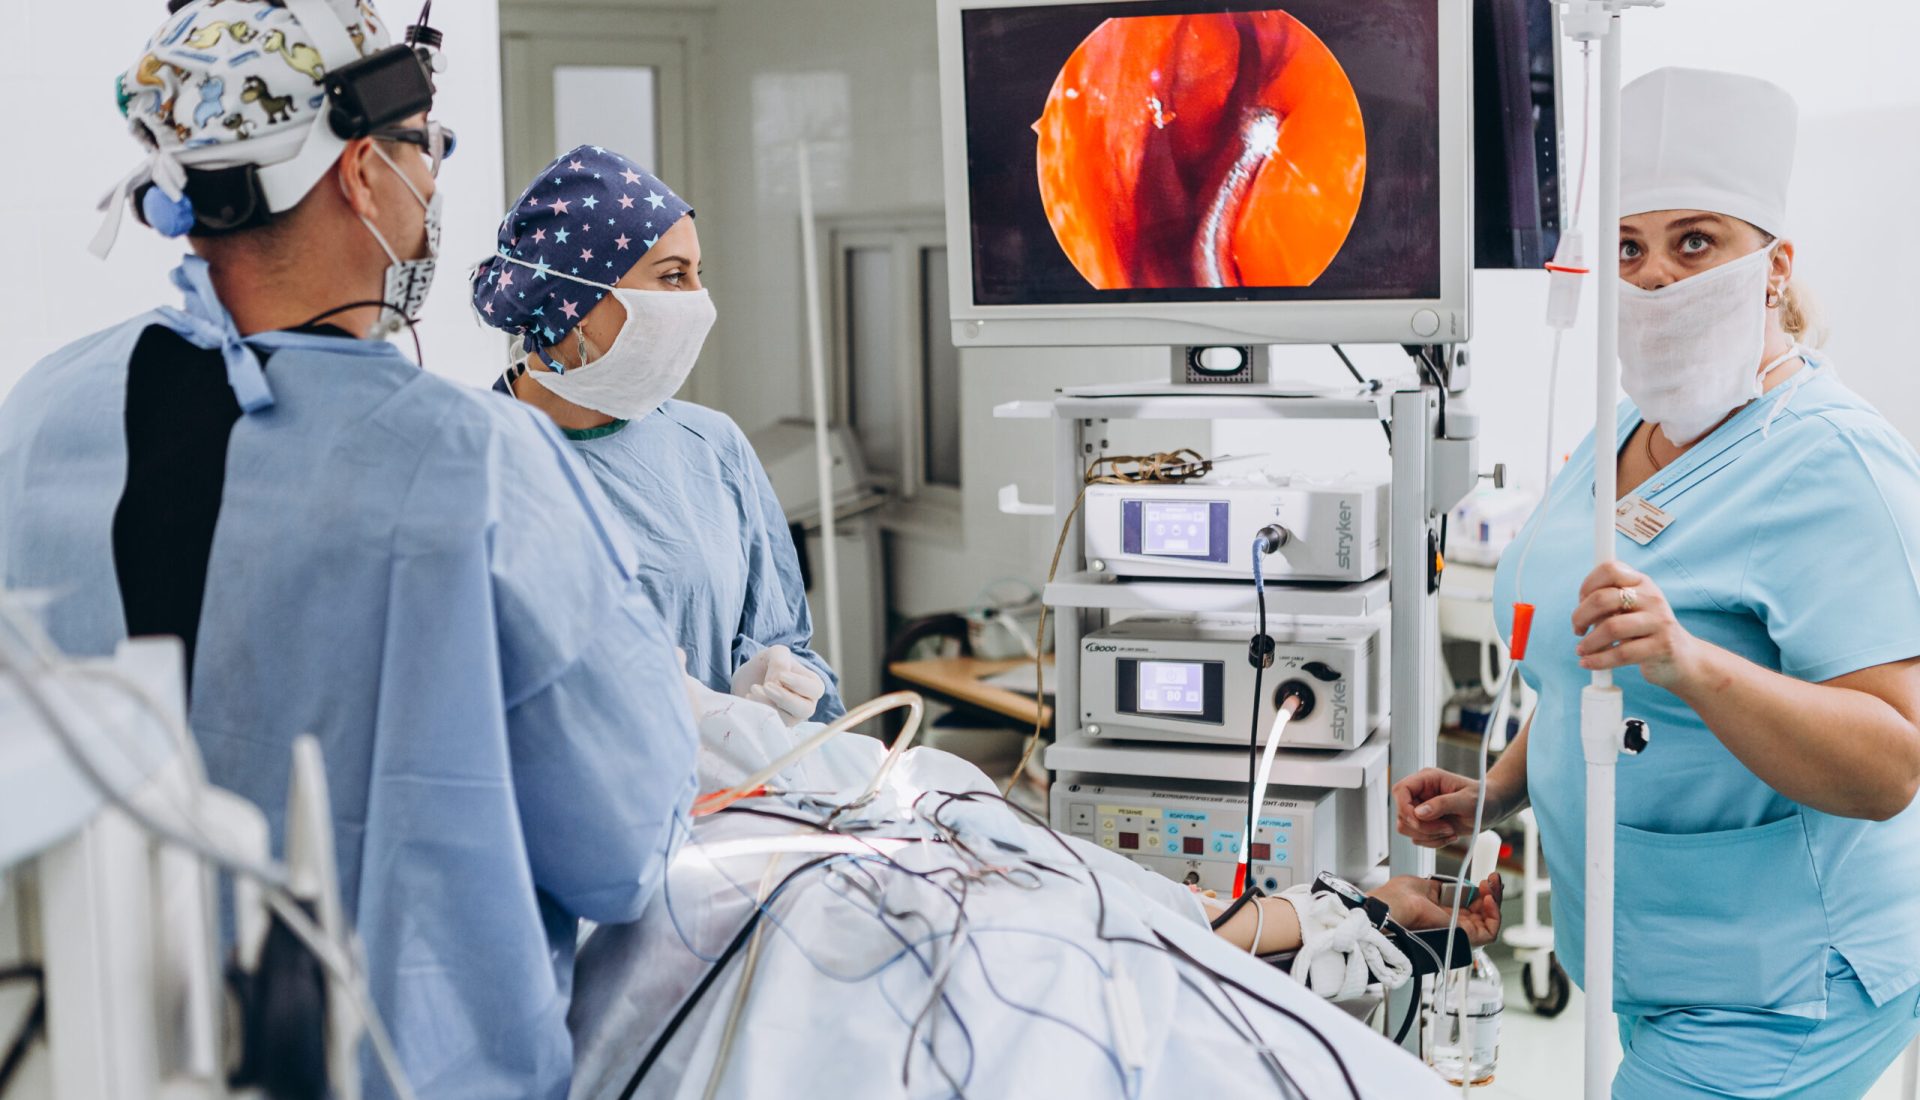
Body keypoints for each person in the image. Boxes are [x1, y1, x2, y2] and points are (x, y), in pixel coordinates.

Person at [0, 4, 697, 1098]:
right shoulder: (475, 459)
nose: (436, 176)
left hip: (84, 1057)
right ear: (362, 173)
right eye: (431, 145)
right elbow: (622, 845)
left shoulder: (37, 416)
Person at [1394, 68, 1920, 1099]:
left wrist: (1693, 662)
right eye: (1630, 247)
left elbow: (1893, 763)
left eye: (1695, 241)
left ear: (1774, 266)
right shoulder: (1622, 432)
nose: (1657, 276)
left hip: (1787, 984)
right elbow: (1581, 672)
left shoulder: (1834, 462)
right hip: (1646, 957)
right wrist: (1493, 793)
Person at [469, 147, 843, 727]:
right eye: (672, 277)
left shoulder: (711, 446)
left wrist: (777, 681)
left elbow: (782, 638)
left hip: (726, 799)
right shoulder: (469, 463)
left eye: (698, 275)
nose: (698, 303)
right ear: (577, 305)